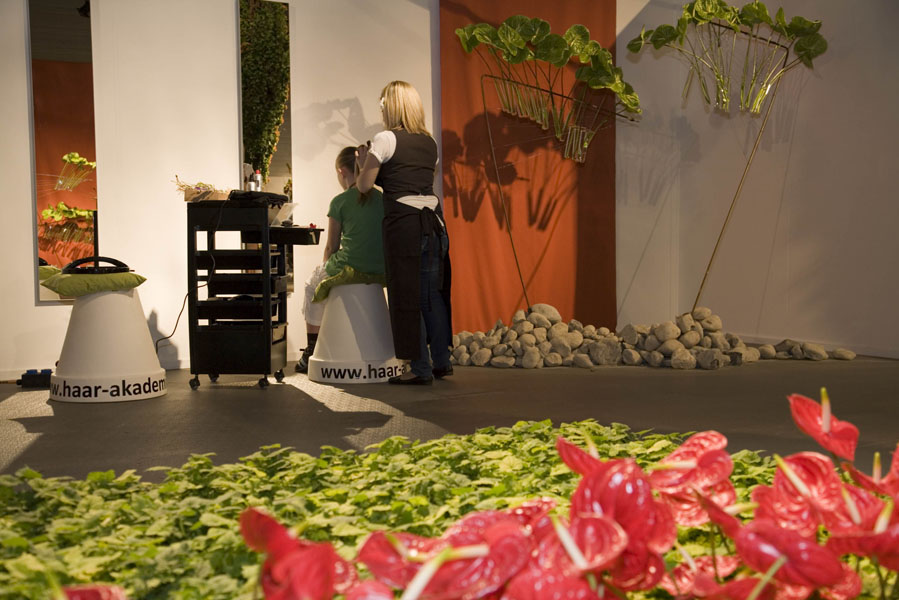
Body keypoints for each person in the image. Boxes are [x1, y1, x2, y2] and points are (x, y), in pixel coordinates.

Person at [356, 81, 452, 385]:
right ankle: (442, 361)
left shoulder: (385, 139)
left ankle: (420, 369)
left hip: (405, 226)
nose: (381, 110)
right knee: (432, 295)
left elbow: (363, 186)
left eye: (383, 104)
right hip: (434, 224)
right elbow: (417, 181)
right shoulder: (430, 143)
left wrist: (362, 163)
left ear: (391, 106)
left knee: (406, 296)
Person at [296, 146, 385, 373]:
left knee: (311, 286)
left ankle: (311, 349)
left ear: (341, 171)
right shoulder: (382, 199)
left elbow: (331, 246)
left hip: (350, 266)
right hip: (380, 267)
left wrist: (325, 269)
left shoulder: (340, 201)